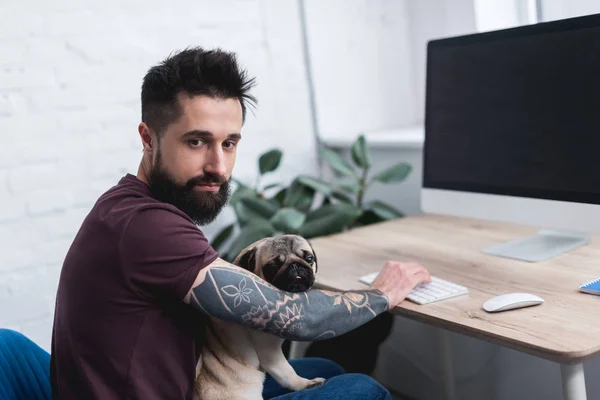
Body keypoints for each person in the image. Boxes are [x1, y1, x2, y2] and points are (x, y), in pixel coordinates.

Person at [49, 46, 431, 399]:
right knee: (361, 390)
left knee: (326, 368)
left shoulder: (127, 205)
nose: (218, 166)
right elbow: (298, 319)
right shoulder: (146, 227)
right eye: (196, 142)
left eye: (229, 143)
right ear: (149, 139)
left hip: (192, 383)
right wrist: (382, 294)